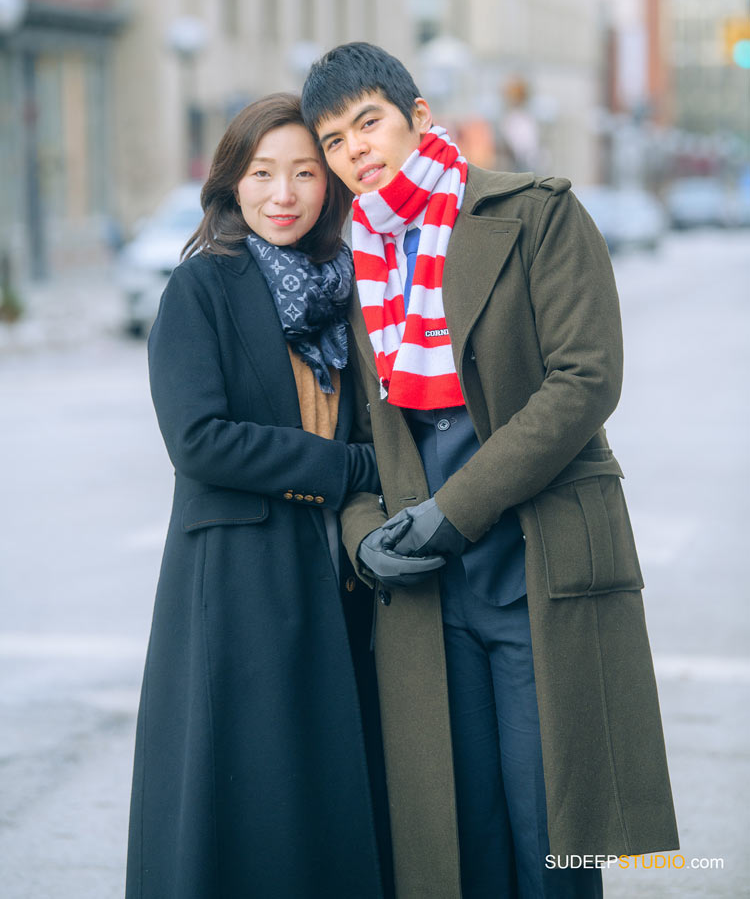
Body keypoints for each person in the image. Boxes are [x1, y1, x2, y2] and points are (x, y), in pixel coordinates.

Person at [301, 44, 679, 899]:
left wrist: (455, 509)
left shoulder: (536, 213)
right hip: (428, 590)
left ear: (419, 117)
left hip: (533, 560)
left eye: (369, 122)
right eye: (334, 140)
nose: (355, 150)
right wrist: (366, 539)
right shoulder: (359, 261)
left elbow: (586, 379)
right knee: (455, 839)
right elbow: (361, 435)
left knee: (550, 829)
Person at [126, 93, 392, 899]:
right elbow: (198, 440)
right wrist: (345, 467)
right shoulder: (200, 289)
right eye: (262, 172)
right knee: (241, 794)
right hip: (235, 580)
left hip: (330, 575)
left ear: (330, 186)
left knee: (322, 788)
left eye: (305, 173)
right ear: (231, 183)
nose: (283, 194)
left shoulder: (346, 292)